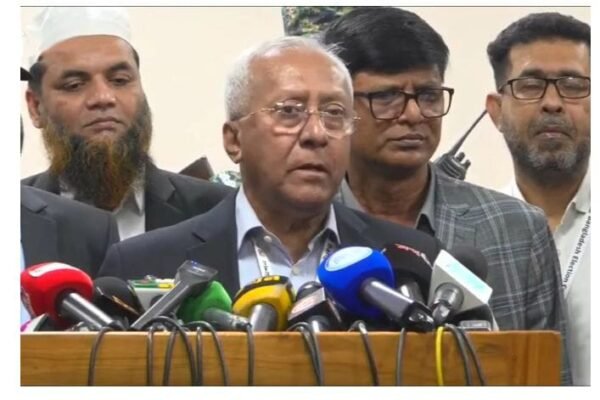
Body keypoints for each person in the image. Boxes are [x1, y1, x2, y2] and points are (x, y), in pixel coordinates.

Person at [322, 7, 571, 383]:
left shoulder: (517, 228)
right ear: (339, 108)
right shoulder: (305, 225)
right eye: (387, 96)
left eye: (428, 95)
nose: (413, 114)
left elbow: (553, 377)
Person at [98, 36, 444, 299]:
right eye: (289, 111)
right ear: (234, 140)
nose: (316, 134)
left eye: (334, 113)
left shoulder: (413, 262)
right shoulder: (143, 263)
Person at [21, 7, 231, 240]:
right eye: (74, 85)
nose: (103, 97)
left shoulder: (218, 211)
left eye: (120, 80)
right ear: (35, 106)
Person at [485, 12, 590, 385]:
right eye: (530, 85)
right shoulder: (474, 238)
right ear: (496, 111)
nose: (553, 103)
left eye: (573, 85)